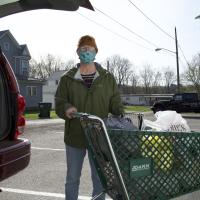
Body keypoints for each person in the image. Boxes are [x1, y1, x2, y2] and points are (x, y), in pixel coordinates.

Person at [55, 35, 124, 200]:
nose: (86, 52)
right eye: (83, 49)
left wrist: (120, 112)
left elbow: (115, 103)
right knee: (72, 178)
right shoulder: (67, 78)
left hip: (99, 138)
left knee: (100, 179)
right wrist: (66, 108)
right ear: (77, 52)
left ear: (96, 52)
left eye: (90, 49)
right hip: (75, 136)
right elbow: (59, 102)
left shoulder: (107, 78)